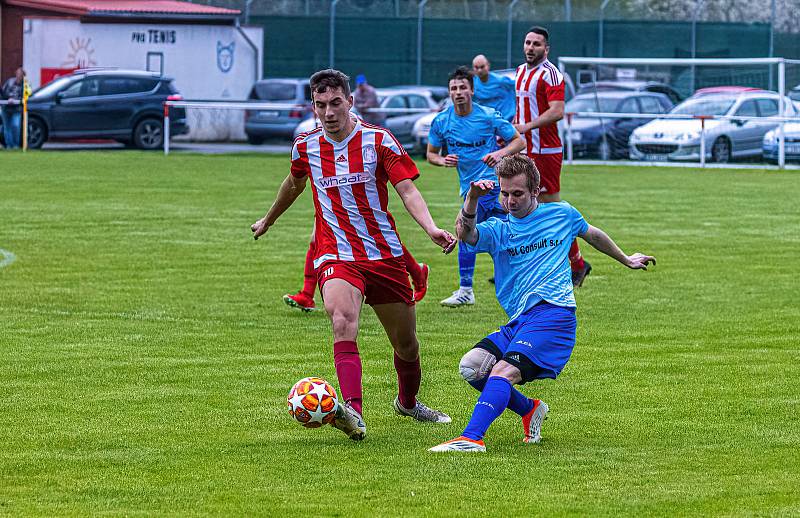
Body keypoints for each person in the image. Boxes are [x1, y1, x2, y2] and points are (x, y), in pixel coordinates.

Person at [251, 69, 456, 441]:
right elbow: (294, 184)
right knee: (342, 320)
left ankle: (408, 403)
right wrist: (268, 219)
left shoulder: (379, 141)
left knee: (407, 345)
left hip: (384, 254)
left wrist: (430, 228)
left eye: (334, 103)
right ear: (313, 106)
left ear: (350, 101)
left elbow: (407, 190)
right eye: (320, 105)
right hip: (336, 254)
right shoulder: (306, 146)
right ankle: (353, 413)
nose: (328, 112)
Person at [429, 155, 655, 452]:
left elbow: (593, 234)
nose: (510, 200)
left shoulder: (562, 214)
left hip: (554, 313)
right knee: (472, 368)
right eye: (505, 193)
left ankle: (471, 438)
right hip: (520, 319)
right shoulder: (498, 229)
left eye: (518, 194)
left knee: (501, 372)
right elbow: (466, 234)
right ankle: (529, 410)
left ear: (536, 191)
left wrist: (626, 259)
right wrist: (472, 197)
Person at [426, 66, 525, 307]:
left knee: (471, 233)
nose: (458, 92)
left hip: (494, 187)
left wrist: (500, 153)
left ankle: (469, 289)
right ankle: (470, 289)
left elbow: (519, 141)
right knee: (481, 236)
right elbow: (431, 154)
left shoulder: (488, 115)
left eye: (462, 87)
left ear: (471, 90)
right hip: (470, 188)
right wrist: (442, 160)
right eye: (453, 88)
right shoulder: (441, 121)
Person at [512, 26, 592, 287]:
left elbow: (557, 112)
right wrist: (514, 127)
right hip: (524, 148)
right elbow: (521, 110)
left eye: (536, 44)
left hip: (545, 151)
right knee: (520, 204)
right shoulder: (521, 72)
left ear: (546, 49)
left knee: (552, 210)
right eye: (527, 42)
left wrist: (527, 126)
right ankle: (523, 263)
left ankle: (577, 264)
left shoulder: (552, 75)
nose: (530, 47)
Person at [283, 227, 429, 312]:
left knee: (379, 238)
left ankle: (417, 273)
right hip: (330, 190)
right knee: (316, 239)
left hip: (358, 191)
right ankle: (307, 294)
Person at [472, 55, 516, 122]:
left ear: (488, 66)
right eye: (476, 67)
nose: (479, 70)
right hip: (488, 122)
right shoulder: (473, 84)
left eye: (482, 67)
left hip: (506, 120)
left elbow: (519, 87)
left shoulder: (501, 81)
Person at [1, 68, 24, 149]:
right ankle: (9, 146)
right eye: (18, 74)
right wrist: (8, 99)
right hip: (6, 108)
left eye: (20, 74)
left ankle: (16, 145)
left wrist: (17, 100)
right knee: (7, 128)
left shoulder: (25, 85)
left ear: (23, 76)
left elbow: (26, 96)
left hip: (16, 109)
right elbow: (3, 92)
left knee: (16, 126)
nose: (19, 76)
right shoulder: (9, 81)